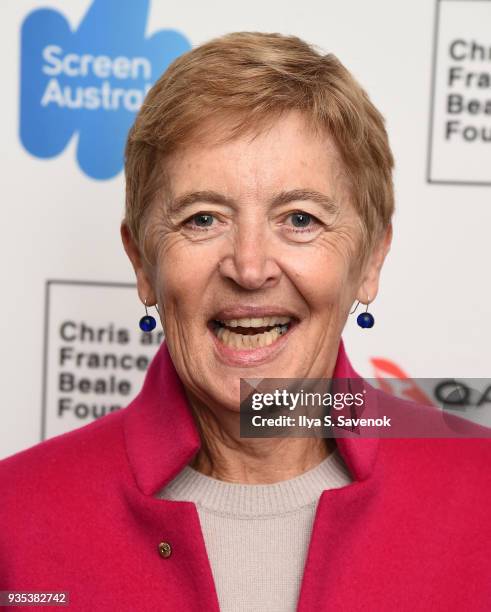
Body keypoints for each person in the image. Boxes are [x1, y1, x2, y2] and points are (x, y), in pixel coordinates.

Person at [1, 32, 490, 612]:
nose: (250, 267)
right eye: (203, 218)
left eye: (300, 218)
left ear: (370, 261)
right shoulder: (15, 518)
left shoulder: (480, 490)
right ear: (142, 261)